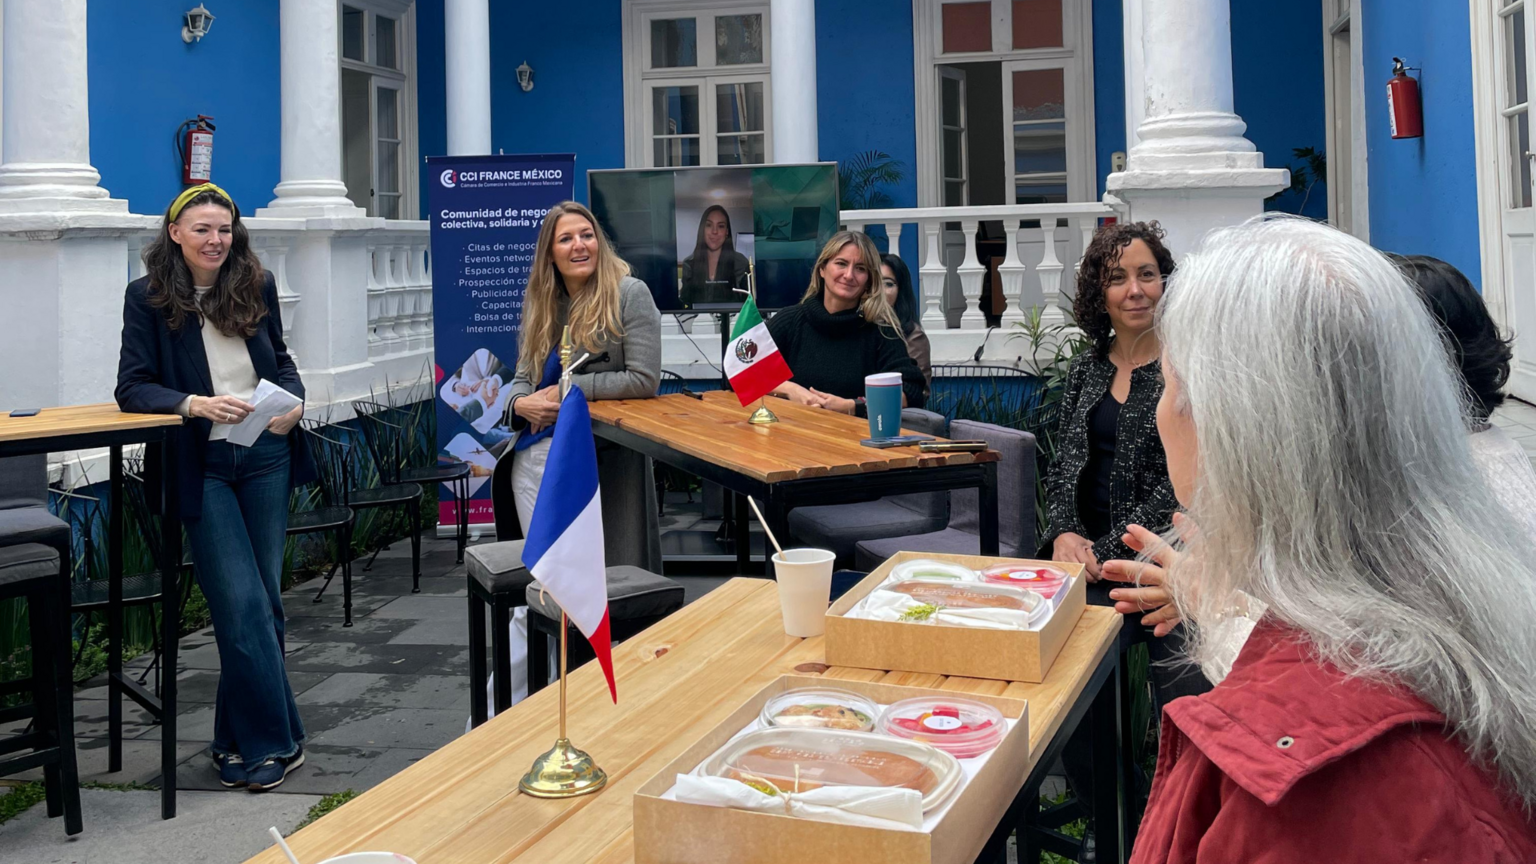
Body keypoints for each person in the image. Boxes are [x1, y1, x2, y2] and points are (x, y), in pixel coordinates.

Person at [1125, 216, 1536, 862]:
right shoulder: (1467, 590)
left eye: (1169, 383)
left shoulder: (1310, 793)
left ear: (1233, 429)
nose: (1161, 409)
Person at [115, 183, 311, 792]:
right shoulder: (147, 297)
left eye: (224, 229)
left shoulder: (256, 284)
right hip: (200, 464)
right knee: (241, 604)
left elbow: (280, 360)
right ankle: (275, 743)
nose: (215, 240)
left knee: (264, 602)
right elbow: (131, 387)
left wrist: (295, 402)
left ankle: (235, 740)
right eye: (202, 229)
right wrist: (192, 403)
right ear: (175, 233)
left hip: (266, 455)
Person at [503, 201, 663, 571]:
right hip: (531, 460)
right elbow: (522, 378)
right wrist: (519, 404)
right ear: (550, 254)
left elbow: (643, 380)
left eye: (587, 235)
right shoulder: (542, 302)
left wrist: (566, 390)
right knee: (547, 577)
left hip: (596, 457)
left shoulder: (629, 294)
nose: (579, 245)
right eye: (566, 239)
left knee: (601, 579)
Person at [1041, 221, 1179, 580]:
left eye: (1146, 274)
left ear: (1165, 283)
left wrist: (1105, 552)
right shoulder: (1086, 368)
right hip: (1078, 558)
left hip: (1161, 566)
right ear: (1099, 296)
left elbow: (1186, 486)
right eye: (1117, 278)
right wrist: (1063, 534)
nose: (1135, 290)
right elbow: (1063, 466)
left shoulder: (1185, 371)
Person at [766, 231, 926, 413]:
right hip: (791, 427)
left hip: (855, 429)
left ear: (869, 280)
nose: (849, 275)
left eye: (860, 268)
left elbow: (911, 391)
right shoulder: (789, 321)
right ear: (822, 269)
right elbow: (743, 371)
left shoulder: (882, 331)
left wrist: (852, 406)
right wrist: (790, 390)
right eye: (841, 263)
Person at [679, 205, 750, 308]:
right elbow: (685, 305)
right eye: (709, 225)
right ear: (702, 230)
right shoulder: (689, 263)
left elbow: (748, 305)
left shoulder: (741, 263)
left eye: (720, 226)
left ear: (727, 232)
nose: (714, 231)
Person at [879, 253, 932, 392]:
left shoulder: (913, 336)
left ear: (900, 291)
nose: (879, 291)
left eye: (888, 284)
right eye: (874, 282)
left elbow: (919, 392)